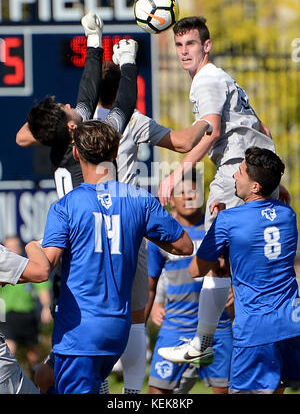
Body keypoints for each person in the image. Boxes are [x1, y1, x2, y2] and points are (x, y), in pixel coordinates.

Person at [16, 11, 139, 394]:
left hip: (73, 240)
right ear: (72, 127)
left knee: (52, 368)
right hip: (102, 237)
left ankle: (98, 380)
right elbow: (120, 105)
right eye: (67, 111)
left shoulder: (62, 145)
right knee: (124, 316)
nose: (73, 104)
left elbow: (84, 93)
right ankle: (118, 386)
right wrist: (128, 63)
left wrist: (94, 41)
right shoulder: (92, 141)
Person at [157, 16, 289, 364]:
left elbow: (212, 132)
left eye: (191, 44)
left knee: (206, 263)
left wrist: (177, 174)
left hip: (236, 173)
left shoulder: (206, 80)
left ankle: (203, 341)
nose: (184, 51)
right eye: (179, 45)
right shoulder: (223, 78)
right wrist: (273, 181)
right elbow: (262, 127)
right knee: (238, 261)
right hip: (255, 171)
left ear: (207, 46)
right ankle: (247, 329)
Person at [38, 120, 193, 394]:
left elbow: (45, 266)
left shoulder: (65, 207)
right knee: (44, 378)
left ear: (76, 153)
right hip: (117, 331)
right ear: (116, 151)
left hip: (79, 331)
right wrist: (138, 230)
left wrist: (30, 247)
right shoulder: (139, 200)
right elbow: (184, 246)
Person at [93, 60, 214, 394]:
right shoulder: (132, 119)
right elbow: (184, 142)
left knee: (98, 311)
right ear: (126, 91)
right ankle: (132, 393)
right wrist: (210, 119)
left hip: (91, 225)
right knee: (135, 317)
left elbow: (22, 137)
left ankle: (102, 385)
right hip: (130, 220)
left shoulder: (82, 122)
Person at [161, 147, 300, 394]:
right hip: (291, 325)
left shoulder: (228, 221)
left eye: (242, 172)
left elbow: (196, 270)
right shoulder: (288, 214)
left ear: (255, 186)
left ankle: (199, 345)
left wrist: (217, 227)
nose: (235, 175)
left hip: (256, 331)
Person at [146, 169, 233, 395]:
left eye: (193, 190)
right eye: (181, 192)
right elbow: (151, 284)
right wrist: (149, 312)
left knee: (225, 391)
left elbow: (238, 269)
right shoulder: (162, 233)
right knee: (157, 392)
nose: (188, 195)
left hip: (218, 327)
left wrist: (235, 290)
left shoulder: (219, 227)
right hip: (176, 324)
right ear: (171, 198)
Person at [0, 239, 50, 394]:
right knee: (12, 347)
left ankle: (32, 374)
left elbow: (41, 288)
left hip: (26, 314)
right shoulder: (6, 261)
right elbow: (41, 272)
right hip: (9, 314)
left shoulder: (15, 265)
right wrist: (33, 246)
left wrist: (46, 307)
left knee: (32, 352)